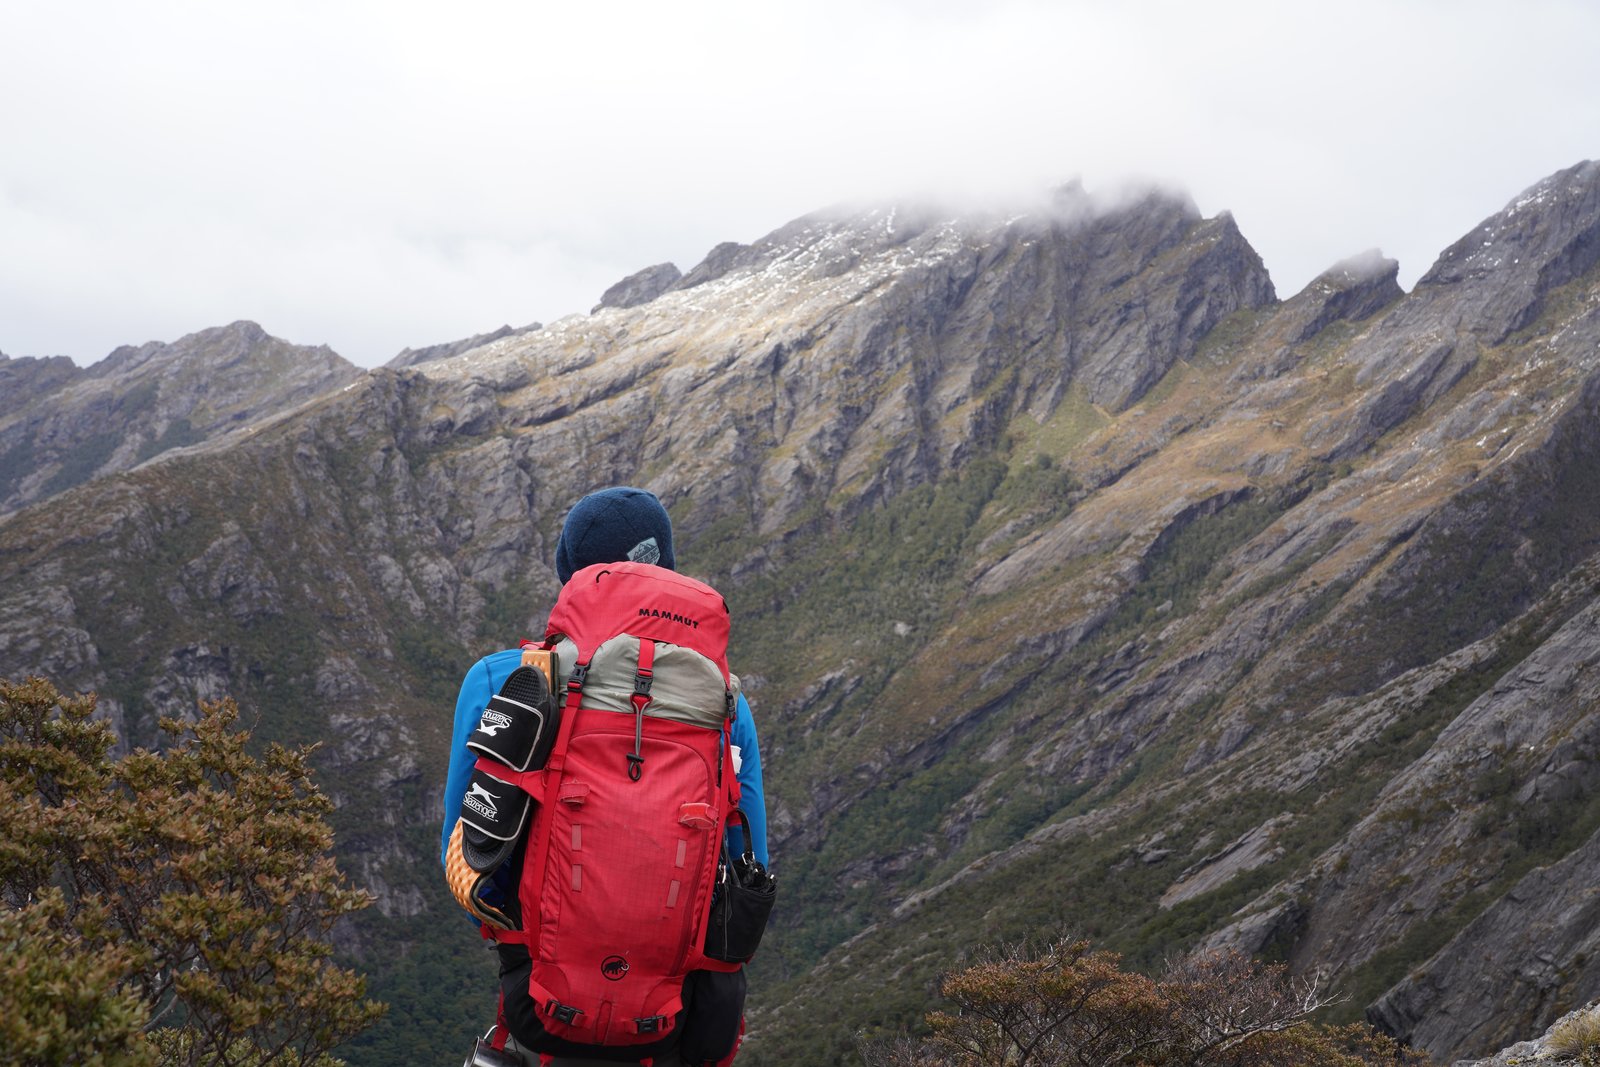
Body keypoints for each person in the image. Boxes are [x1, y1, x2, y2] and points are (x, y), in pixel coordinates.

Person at [441, 486, 770, 1067]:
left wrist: (536, 938)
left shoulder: (507, 679)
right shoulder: (723, 701)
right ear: (666, 567)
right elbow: (748, 863)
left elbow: (468, 854)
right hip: (670, 1019)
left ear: (571, 578)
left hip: (539, 1007)